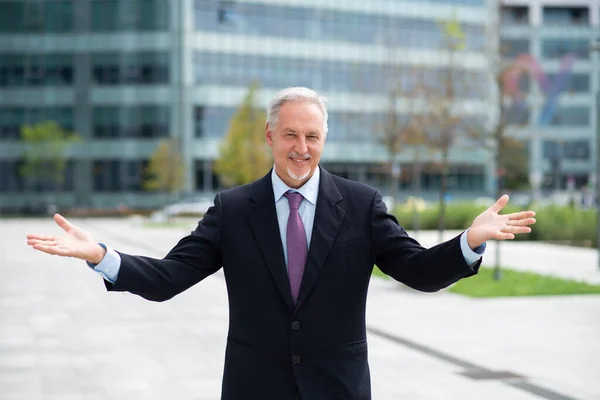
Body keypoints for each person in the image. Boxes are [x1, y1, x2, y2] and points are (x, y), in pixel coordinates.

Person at [26, 87, 536, 400]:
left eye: (312, 136)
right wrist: (101, 256)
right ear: (269, 136)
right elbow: (169, 278)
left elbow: (417, 270)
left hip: (337, 391)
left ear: (324, 139)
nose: (302, 148)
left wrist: (467, 241)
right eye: (290, 135)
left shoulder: (360, 204)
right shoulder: (232, 209)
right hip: (254, 390)